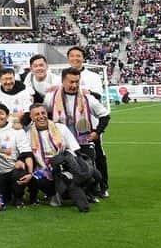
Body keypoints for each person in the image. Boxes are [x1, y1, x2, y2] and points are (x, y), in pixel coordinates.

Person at [45, 67, 111, 196]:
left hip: (83, 141)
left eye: (77, 82)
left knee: (87, 170)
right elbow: (45, 114)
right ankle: (61, 193)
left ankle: (89, 193)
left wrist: (97, 132)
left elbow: (105, 115)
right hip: (60, 142)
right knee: (60, 169)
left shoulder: (87, 98)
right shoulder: (51, 97)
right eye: (71, 82)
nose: (74, 85)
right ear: (63, 81)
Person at [26, 103, 81, 206]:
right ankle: (53, 194)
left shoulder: (61, 128)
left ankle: (72, 191)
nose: (41, 116)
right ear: (31, 117)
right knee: (37, 178)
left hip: (64, 165)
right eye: (37, 114)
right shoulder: (28, 134)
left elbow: (74, 148)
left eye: (43, 113)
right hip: (44, 168)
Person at [0, 104, 34, 208]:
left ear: (7, 116)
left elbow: (27, 152)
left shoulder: (17, 130)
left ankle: (18, 197)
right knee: (3, 198)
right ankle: (7, 194)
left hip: (12, 170)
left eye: (1, 113)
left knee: (20, 172)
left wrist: (29, 172)